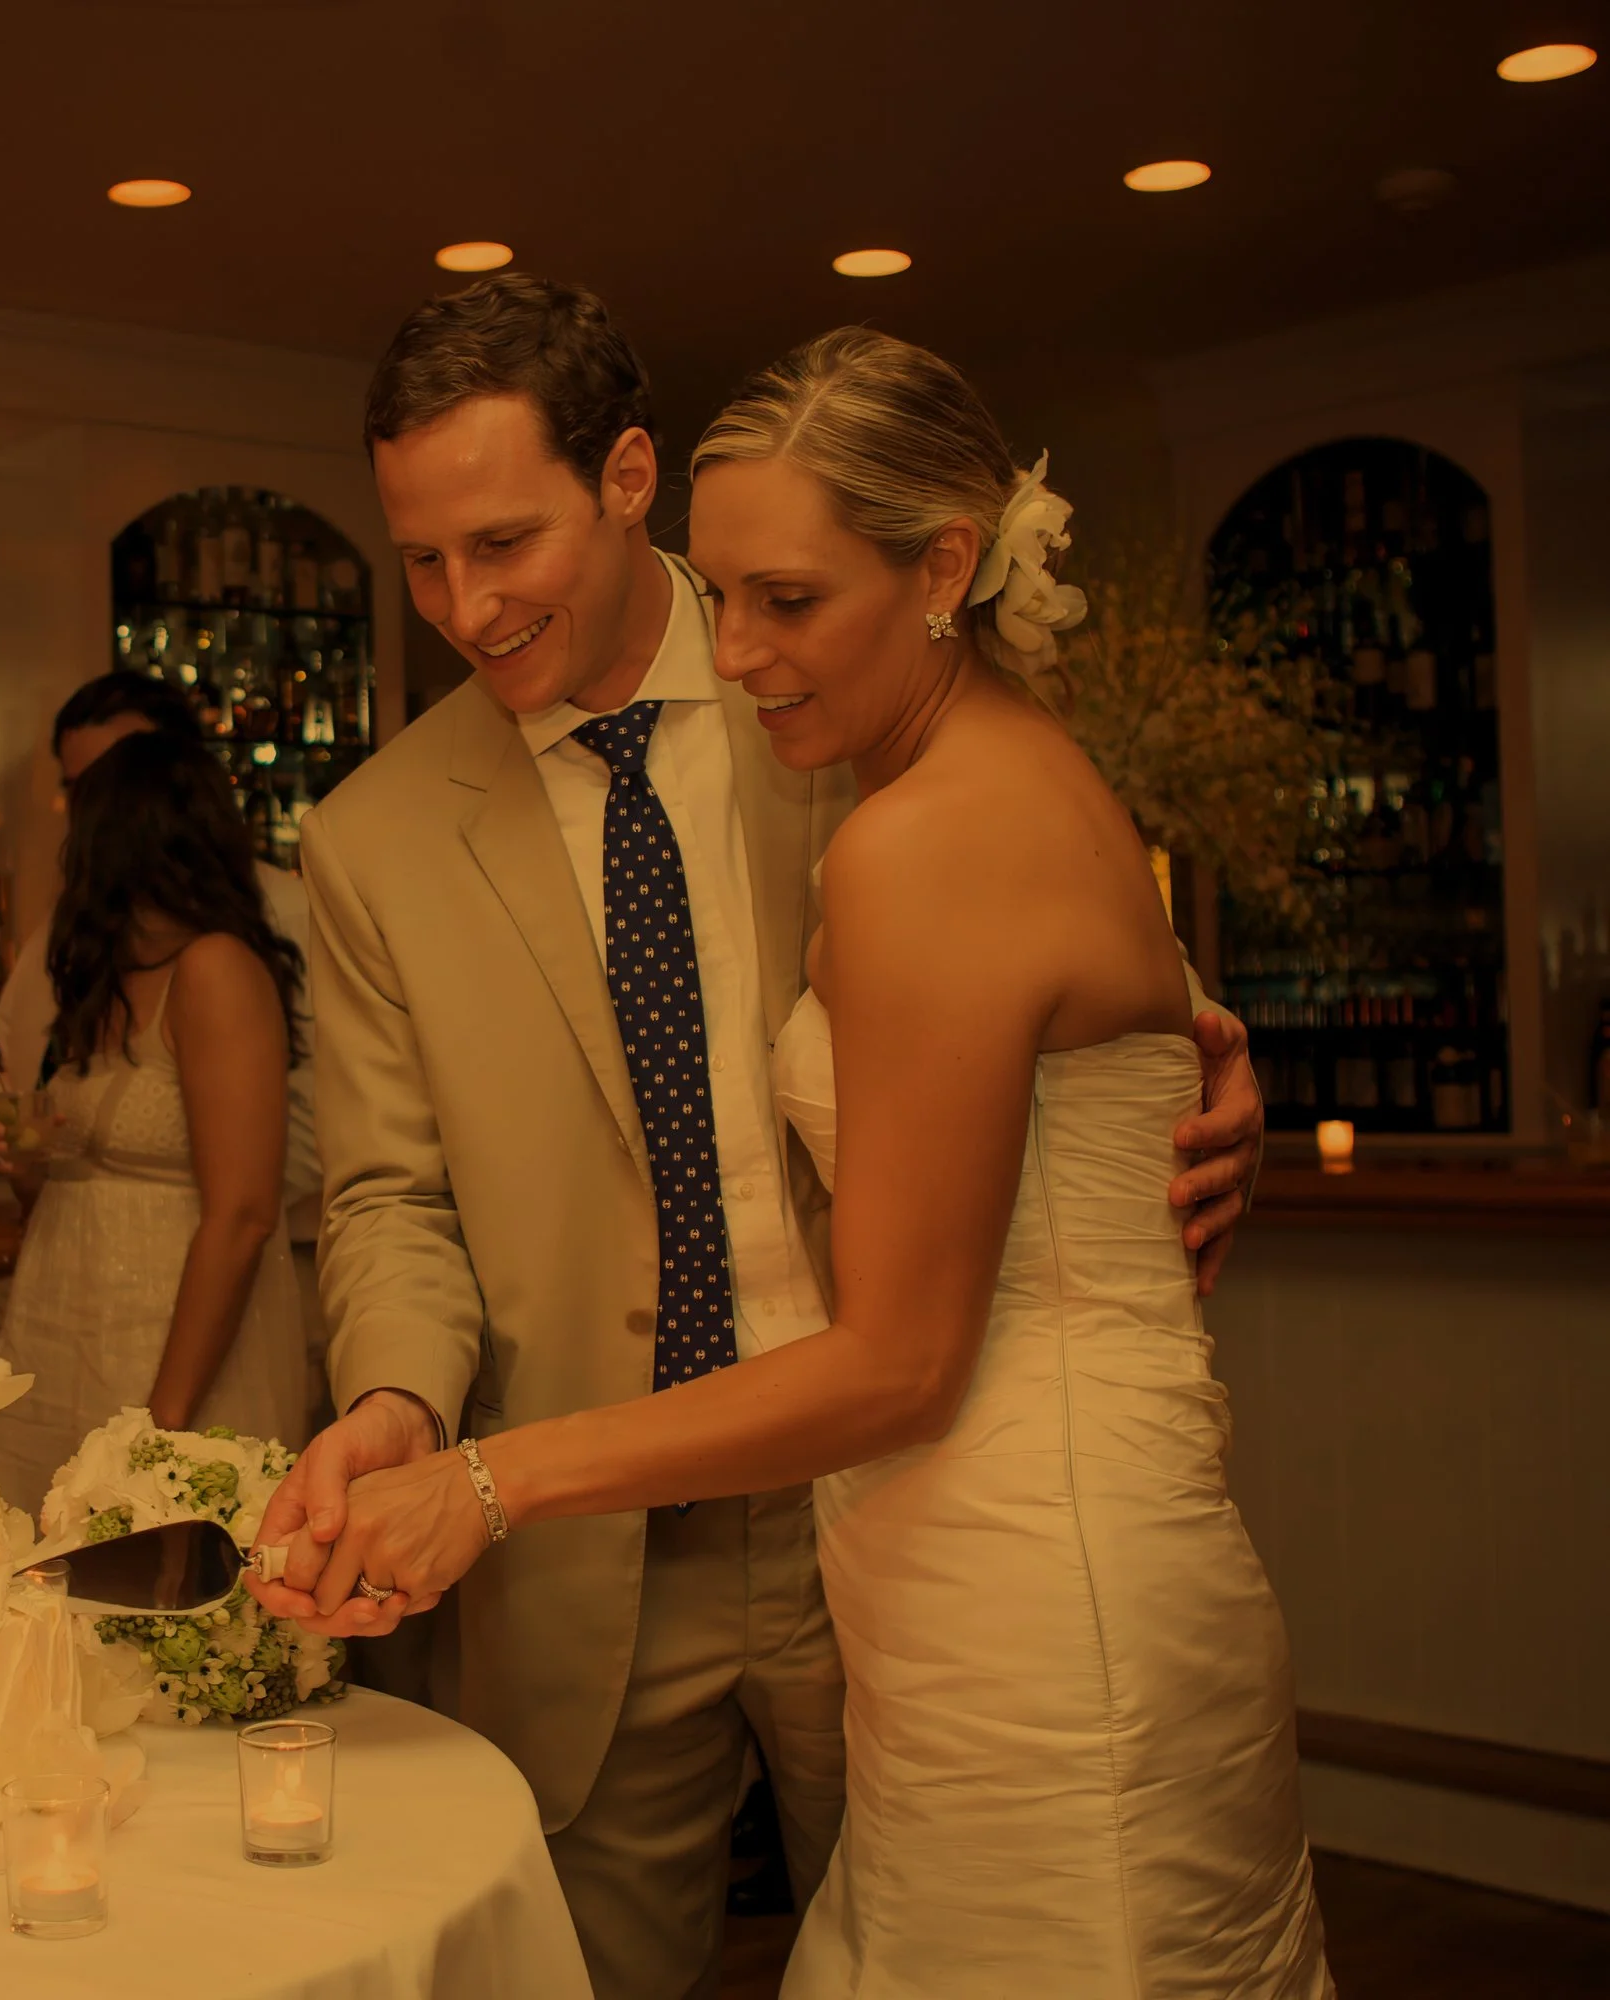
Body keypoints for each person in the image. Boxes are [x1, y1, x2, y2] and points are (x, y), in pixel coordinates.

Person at [259, 325, 1327, 1996]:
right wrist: (404, 1411)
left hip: (921, 1497)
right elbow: (391, 1198)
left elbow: (1049, 964)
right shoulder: (374, 836)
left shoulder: (836, 699)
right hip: (609, 1565)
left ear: (625, 480)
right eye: (419, 562)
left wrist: (1200, 1039)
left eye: (503, 544)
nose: (466, 608)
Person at [0, 673, 323, 1399]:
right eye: (84, 787)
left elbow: (286, 1153)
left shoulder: (270, 931)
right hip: (71, 1304)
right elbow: (59, 1115)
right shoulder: (87, 950)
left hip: (227, 1291)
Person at [0, 729, 310, 1515]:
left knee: (151, 1585)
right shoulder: (104, 982)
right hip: (61, 1331)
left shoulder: (217, 970)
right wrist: (25, 1163)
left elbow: (243, 1214)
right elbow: (74, 1196)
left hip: (168, 1351)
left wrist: (160, 1429)